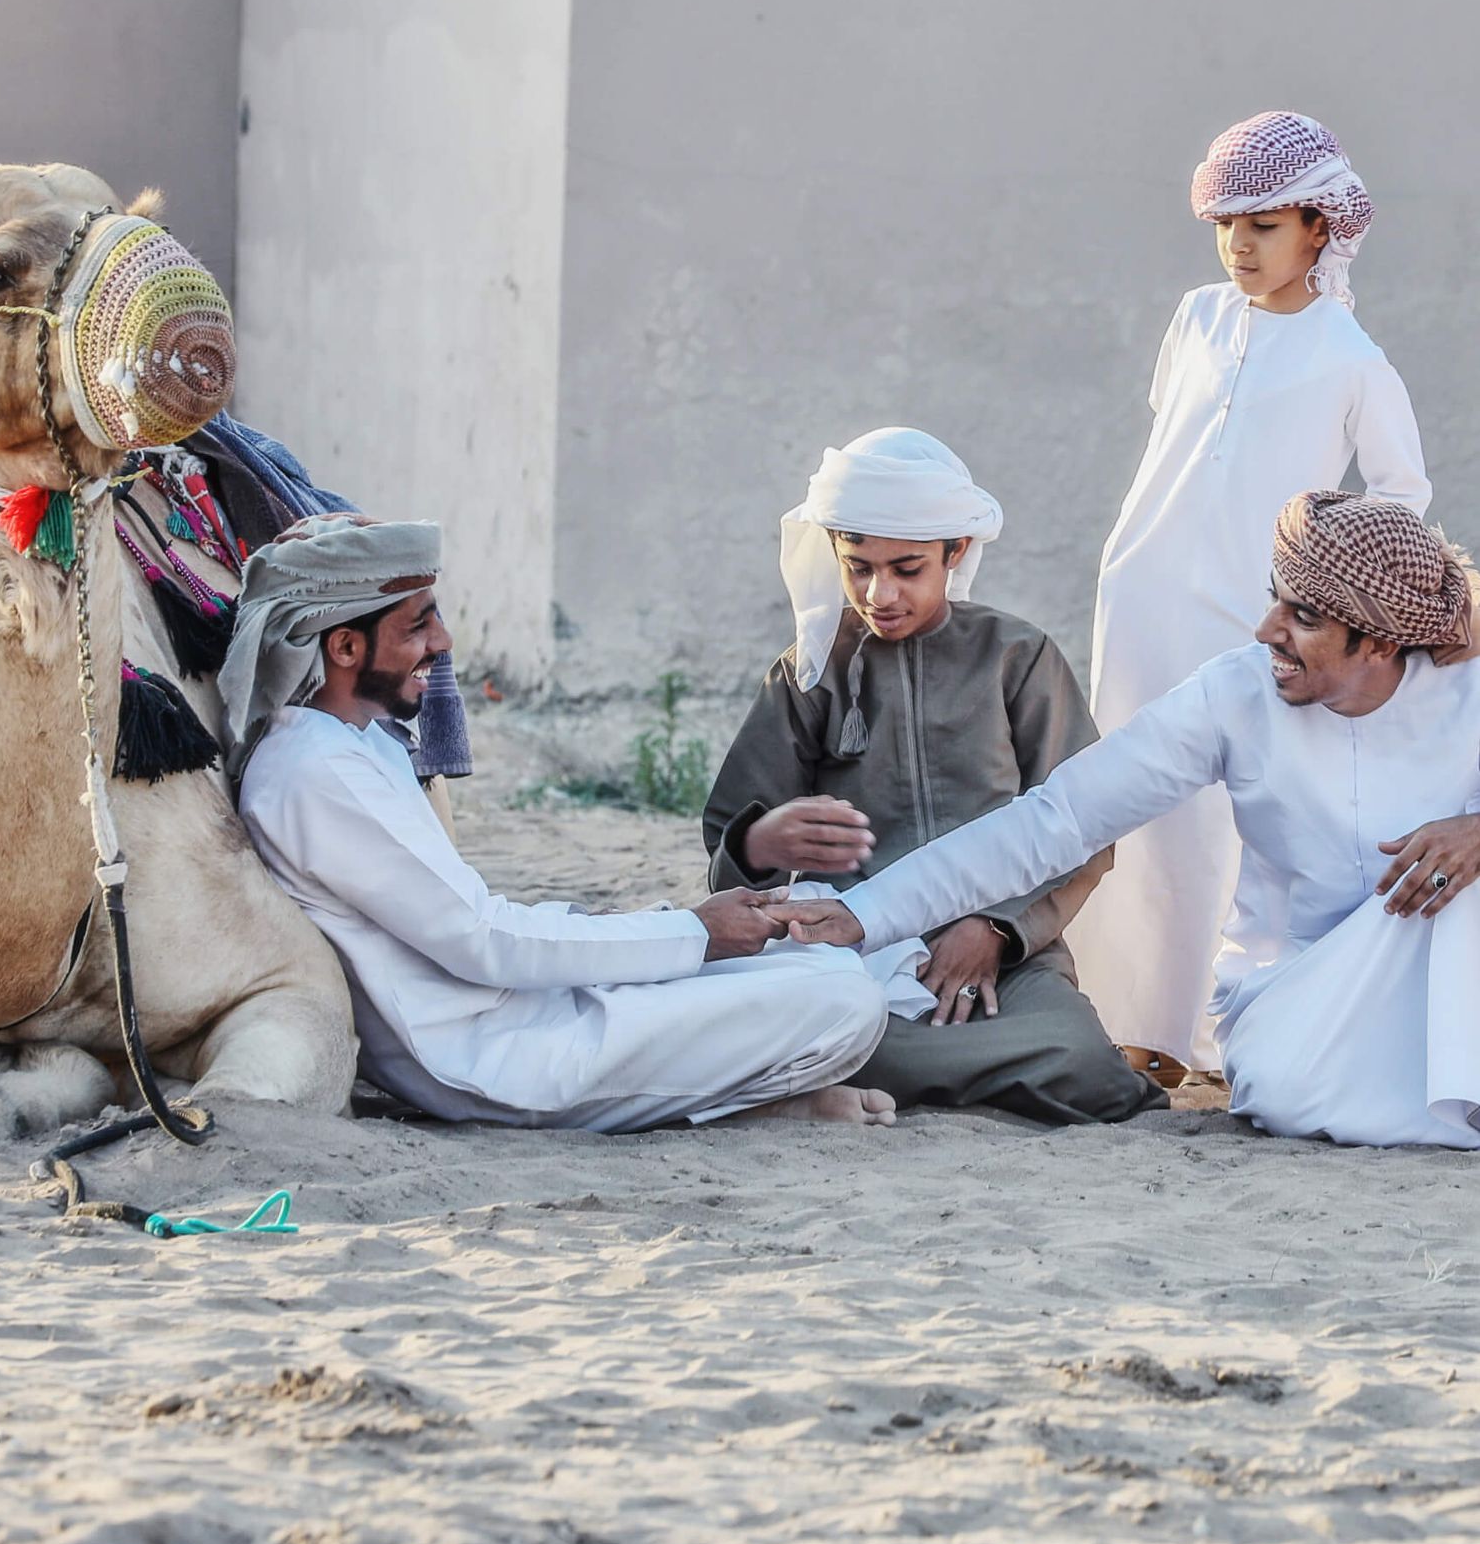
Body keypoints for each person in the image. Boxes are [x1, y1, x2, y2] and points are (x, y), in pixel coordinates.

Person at [766, 492, 1480, 1150]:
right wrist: (866, 914)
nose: (1266, 630)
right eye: (1275, 601)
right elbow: (1057, 821)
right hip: (1299, 994)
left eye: (1304, 618)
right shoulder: (1231, 696)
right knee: (1288, 1096)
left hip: (1442, 969)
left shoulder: (1466, 693)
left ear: (1380, 644)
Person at [225, 516, 895, 1132]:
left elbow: (475, 923)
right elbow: (482, 942)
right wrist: (694, 931)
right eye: (416, 628)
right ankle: (760, 1106)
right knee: (844, 999)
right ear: (344, 646)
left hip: (521, 1005)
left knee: (820, 945)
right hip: (491, 1054)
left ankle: (752, 1095)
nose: (443, 643)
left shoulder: (360, 743)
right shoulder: (314, 771)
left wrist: (662, 924)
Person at [1073, 112, 1432, 1080]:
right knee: (1131, 802)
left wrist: (1325, 590)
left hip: (1255, 614)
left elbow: (1401, 495)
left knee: (1230, 820)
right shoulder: (1194, 318)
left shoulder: (1349, 356)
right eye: (1225, 223)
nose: (1239, 243)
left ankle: (1207, 1037)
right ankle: (1126, 1026)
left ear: (1319, 227)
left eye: (1264, 223)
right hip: (1143, 595)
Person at [703, 427, 1163, 1125]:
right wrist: (760, 844)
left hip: (1002, 952)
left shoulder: (1016, 657)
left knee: (1086, 1068)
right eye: (857, 566)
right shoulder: (808, 673)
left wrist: (994, 929)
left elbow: (1086, 832)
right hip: (851, 954)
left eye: (906, 569)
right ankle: (917, 1066)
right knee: (785, 1030)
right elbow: (731, 854)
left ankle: (882, 1071)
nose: (877, 592)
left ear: (955, 552)